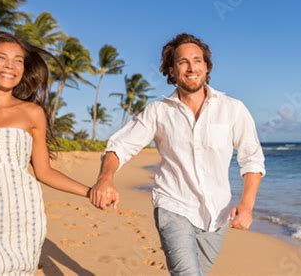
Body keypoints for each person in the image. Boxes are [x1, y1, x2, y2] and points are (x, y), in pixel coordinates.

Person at [90, 33, 266, 275]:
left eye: (197, 60)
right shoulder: (158, 112)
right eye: (183, 62)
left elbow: (252, 158)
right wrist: (105, 178)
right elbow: (119, 146)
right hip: (173, 206)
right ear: (171, 71)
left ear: (206, 66)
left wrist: (246, 205)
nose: (191, 67)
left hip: (218, 215)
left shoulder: (233, 109)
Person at [0, 31, 92, 275]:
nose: (10, 66)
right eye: (1, 58)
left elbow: (43, 171)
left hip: (18, 213)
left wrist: (89, 192)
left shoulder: (32, 113)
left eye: (18, 60)